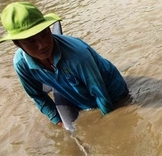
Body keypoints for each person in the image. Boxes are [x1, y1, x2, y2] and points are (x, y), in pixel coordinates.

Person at [0, 2, 129, 130]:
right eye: (31, 42)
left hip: (112, 93)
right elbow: (37, 95)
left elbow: (101, 95)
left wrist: (111, 125)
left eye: (45, 34)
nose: (42, 45)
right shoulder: (21, 64)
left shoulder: (78, 55)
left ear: (49, 29)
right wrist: (57, 120)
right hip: (74, 92)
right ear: (18, 44)